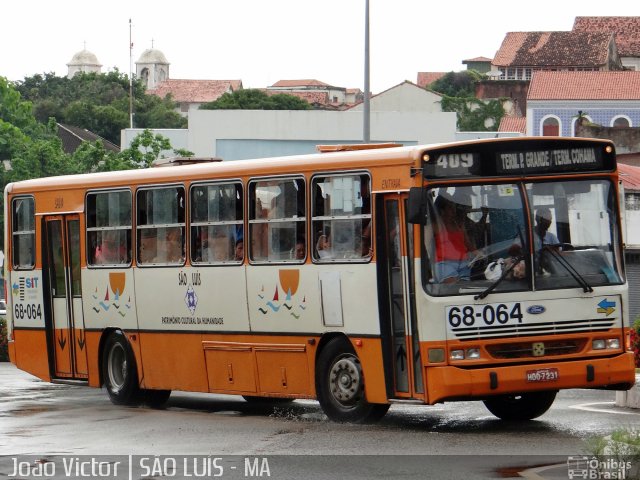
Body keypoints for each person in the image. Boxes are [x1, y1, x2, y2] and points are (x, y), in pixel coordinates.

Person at [432, 192, 477, 283]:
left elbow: (467, 243)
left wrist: (478, 253)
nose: (453, 210)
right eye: (450, 207)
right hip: (445, 264)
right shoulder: (436, 225)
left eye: (453, 206)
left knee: (464, 289)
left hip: (463, 264)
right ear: (442, 210)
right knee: (454, 289)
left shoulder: (459, 223)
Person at [533, 206, 560, 274]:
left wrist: (551, 251)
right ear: (537, 219)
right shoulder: (527, 236)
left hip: (550, 271)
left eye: (550, 219)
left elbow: (559, 255)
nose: (549, 222)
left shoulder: (552, 237)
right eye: (546, 219)